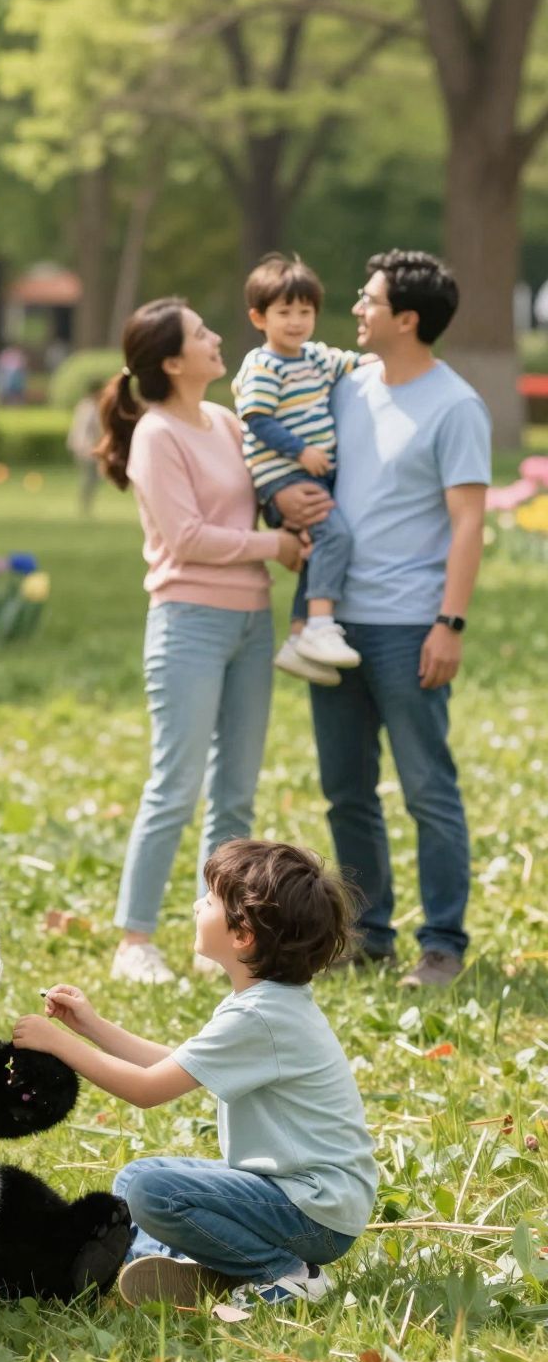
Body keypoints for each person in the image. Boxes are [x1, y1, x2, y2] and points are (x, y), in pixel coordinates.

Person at [12, 839, 377, 1309]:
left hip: (315, 1212)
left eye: (208, 901)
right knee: (134, 1180)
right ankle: (175, 1266)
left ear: (242, 933)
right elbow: (174, 1064)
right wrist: (91, 1028)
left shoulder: (261, 1017)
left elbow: (147, 1090)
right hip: (303, 1199)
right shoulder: (265, 1003)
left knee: (151, 1191)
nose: (195, 905)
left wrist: (61, 1045)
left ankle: (285, 1274)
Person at [272, 251, 490, 989]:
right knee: (347, 789)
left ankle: (442, 944)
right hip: (332, 625)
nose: (355, 311)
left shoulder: (456, 406)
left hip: (409, 626)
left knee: (429, 787)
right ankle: (368, 935)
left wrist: (448, 624)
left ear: (408, 319)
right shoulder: (349, 391)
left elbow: (468, 524)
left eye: (369, 301)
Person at [95, 299, 305, 987]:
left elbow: (259, 494)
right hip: (188, 620)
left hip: (252, 622)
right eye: (202, 334)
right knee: (175, 786)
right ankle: (135, 941)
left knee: (237, 794)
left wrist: (293, 511)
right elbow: (185, 537)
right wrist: (272, 544)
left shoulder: (223, 420)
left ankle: (216, 935)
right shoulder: (156, 434)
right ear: (173, 362)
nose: (218, 339)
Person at [233, 254, 362, 683]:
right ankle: (321, 626)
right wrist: (301, 451)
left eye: (305, 312)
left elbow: (355, 363)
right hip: (283, 475)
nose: (295, 321)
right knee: (336, 536)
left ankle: (298, 637)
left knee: (318, 552)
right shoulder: (263, 364)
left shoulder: (315, 357)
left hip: (310, 472)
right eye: (284, 312)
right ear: (259, 317)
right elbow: (257, 417)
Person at [66, 380, 104, 513]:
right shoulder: (87, 407)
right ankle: (85, 505)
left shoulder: (92, 406)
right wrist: (88, 449)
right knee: (90, 477)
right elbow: (83, 431)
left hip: (88, 448)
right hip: (85, 448)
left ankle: (86, 504)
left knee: (93, 477)